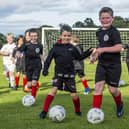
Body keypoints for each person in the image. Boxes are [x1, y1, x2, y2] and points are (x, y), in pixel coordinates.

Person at [39, 24, 93, 119]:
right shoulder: (55, 48)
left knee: (74, 95)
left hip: (70, 75)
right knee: (53, 90)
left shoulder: (72, 48)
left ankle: (77, 110)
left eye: (68, 36)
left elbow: (79, 57)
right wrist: (45, 69)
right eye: (64, 35)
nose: (67, 37)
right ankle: (44, 111)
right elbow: (48, 60)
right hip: (58, 74)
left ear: (70, 36)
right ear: (60, 36)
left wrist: (89, 51)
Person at [90, 7, 124, 117]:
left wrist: (102, 50)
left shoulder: (114, 32)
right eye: (102, 18)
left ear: (112, 18)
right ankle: (95, 113)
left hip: (114, 65)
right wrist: (94, 56)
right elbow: (100, 47)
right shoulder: (98, 32)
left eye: (107, 18)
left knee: (113, 90)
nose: (105, 20)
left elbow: (119, 47)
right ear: (99, 19)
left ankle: (119, 104)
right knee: (98, 87)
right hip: (102, 64)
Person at [18, 28, 43, 99]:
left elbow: (41, 54)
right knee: (29, 85)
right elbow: (19, 50)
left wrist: (44, 63)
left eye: (35, 36)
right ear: (29, 36)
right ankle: (33, 89)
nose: (34, 37)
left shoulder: (40, 45)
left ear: (37, 36)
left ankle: (33, 98)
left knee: (34, 82)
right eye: (32, 36)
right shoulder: (26, 44)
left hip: (37, 66)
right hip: (28, 66)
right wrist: (18, 54)